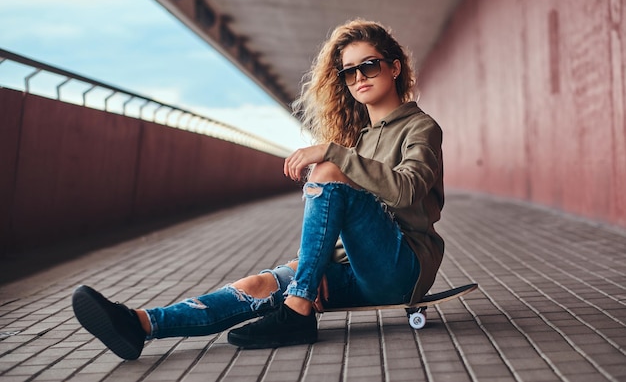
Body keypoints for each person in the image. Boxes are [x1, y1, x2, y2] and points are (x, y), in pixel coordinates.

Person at [72, 18, 445, 360]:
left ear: (394, 67)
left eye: (370, 65)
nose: (359, 77)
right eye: (349, 72)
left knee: (327, 167)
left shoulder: (420, 128)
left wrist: (334, 153)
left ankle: (297, 309)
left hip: (401, 269)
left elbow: (407, 190)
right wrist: (310, 274)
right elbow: (342, 221)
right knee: (258, 284)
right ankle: (140, 325)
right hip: (355, 271)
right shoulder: (360, 140)